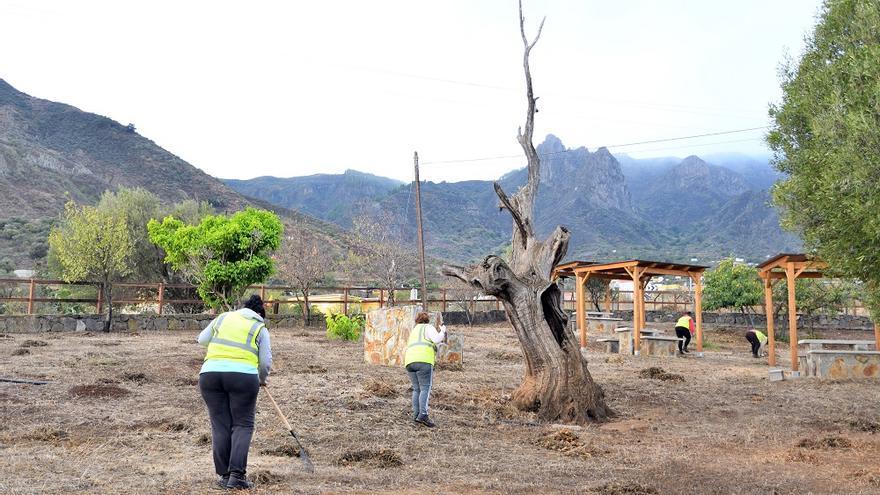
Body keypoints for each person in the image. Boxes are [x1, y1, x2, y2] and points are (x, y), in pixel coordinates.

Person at [197, 295, 272, 490]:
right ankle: (237, 477)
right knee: (242, 424)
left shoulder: (223, 318)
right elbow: (264, 363)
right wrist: (262, 380)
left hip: (210, 375)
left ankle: (224, 475)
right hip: (243, 379)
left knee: (220, 425)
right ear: (260, 314)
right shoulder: (260, 328)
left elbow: (202, 339)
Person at [404, 312, 446, 428]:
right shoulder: (428, 327)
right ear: (427, 320)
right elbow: (437, 339)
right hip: (423, 361)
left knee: (416, 389)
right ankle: (423, 414)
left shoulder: (414, 330)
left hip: (409, 362)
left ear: (417, 320)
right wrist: (442, 331)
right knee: (425, 388)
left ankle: (416, 415)